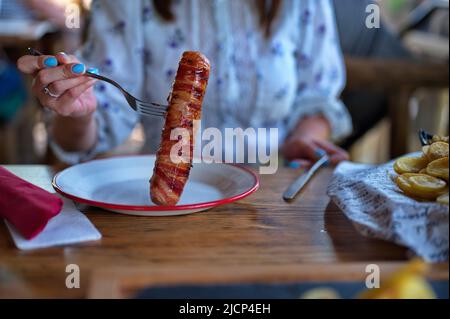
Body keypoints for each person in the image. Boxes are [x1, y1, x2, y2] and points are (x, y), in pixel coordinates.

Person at [17, 0, 352, 168]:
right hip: (166, 205)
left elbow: (318, 95)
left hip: (277, 194)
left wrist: (303, 141)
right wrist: (78, 111)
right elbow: (91, 132)